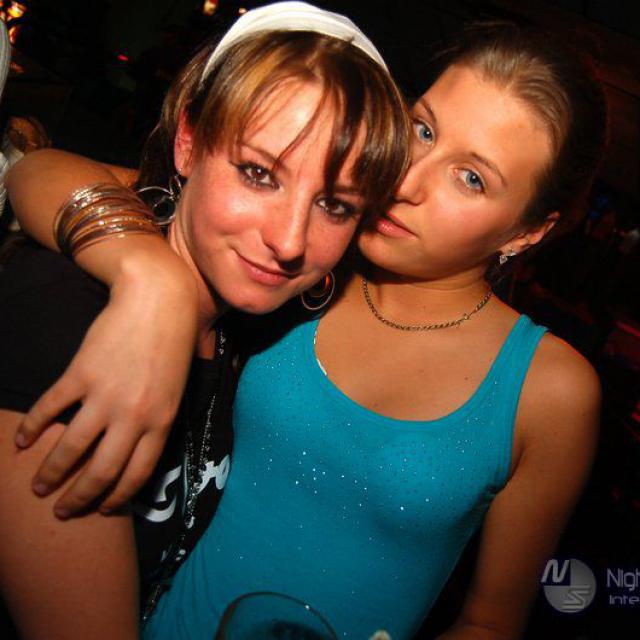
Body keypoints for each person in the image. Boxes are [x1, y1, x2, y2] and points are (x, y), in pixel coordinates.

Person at [8, 14, 606, 640]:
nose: (406, 180)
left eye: (472, 178)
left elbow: (491, 622)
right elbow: (42, 171)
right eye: (423, 129)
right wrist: (150, 278)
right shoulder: (303, 259)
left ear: (527, 231)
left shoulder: (547, 388)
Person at [0, 3, 410, 638]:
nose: (289, 241)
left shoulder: (247, 324)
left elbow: (42, 166)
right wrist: (152, 279)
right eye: (258, 174)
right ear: (187, 141)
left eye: (334, 205)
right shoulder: (67, 320)